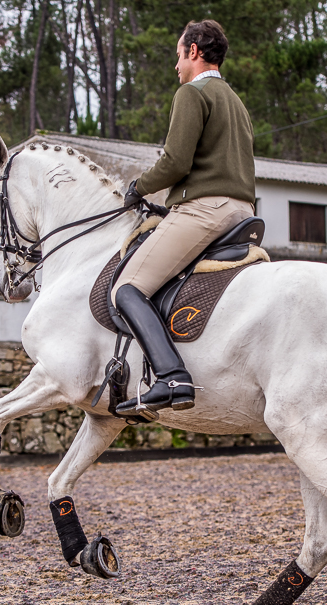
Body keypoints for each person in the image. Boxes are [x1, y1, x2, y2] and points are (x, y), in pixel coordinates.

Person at [112, 19, 256, 418]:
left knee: (126, 288)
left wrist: (138, 187)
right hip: (241, 212)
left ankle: (171, 375)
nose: (176, 65)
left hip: (205, 210)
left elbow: (176, 161)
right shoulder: (234, 100)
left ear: (193, 51)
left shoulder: (192, 93)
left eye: (178, 55)